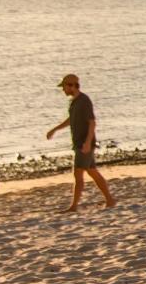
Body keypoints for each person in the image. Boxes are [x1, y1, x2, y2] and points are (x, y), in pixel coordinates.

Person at [46, 74, 115, 212]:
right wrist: (54, 130)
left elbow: (92, 123)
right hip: (80, 143)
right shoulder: (74, 101)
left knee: (78, 174)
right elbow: (71, 119)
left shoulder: (84, 101)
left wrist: (88, 142)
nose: (63, 90)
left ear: (71, 86)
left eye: (64, 87)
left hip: (84, 144)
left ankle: (73, 206)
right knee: (93, 172)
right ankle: (110, 200)